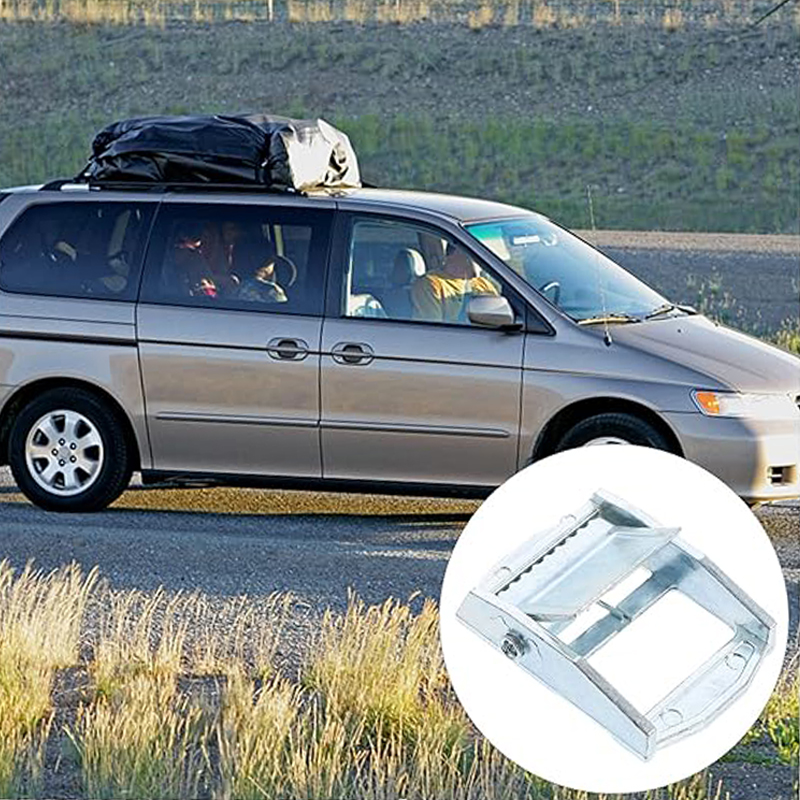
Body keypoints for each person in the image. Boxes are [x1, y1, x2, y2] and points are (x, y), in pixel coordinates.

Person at [411, 242, 499, 323]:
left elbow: (501, 316)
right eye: (471, 252)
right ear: (451, 255)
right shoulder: (430, 284)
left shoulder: (483, 283)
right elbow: (433, 329)